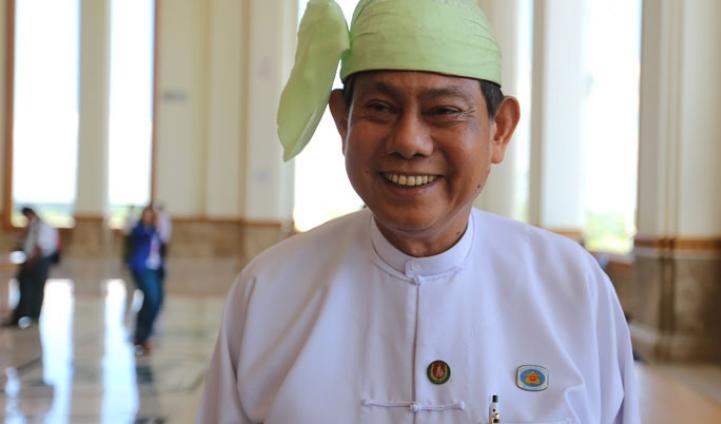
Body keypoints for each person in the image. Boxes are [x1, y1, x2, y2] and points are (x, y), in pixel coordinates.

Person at [199, 0, 638, 422]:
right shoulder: (268, 294)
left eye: (444, 111)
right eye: (380, 108)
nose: (409, 141)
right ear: (343, 122)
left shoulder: (573, 291)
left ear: (499, 131)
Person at [4, 206, 58, 328]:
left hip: (38, 262)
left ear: (30, 214)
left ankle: (32, 316)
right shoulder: (33, 226)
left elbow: (40, 247)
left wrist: (30, 262)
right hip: (31, 260)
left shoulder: (43, 226)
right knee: (25, 288)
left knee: (35, 289)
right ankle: (22, 315)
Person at [126, 206, 164, 356]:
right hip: (142, 268)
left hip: (155, 269)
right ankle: (142, 336)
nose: (148, 218)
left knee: (156, 301)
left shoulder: (156, 231)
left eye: (150, 216)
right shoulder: (139, 230)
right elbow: (140, 235)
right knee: (151, 299)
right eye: (145, 215)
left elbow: (163, 242)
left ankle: (143, 335)